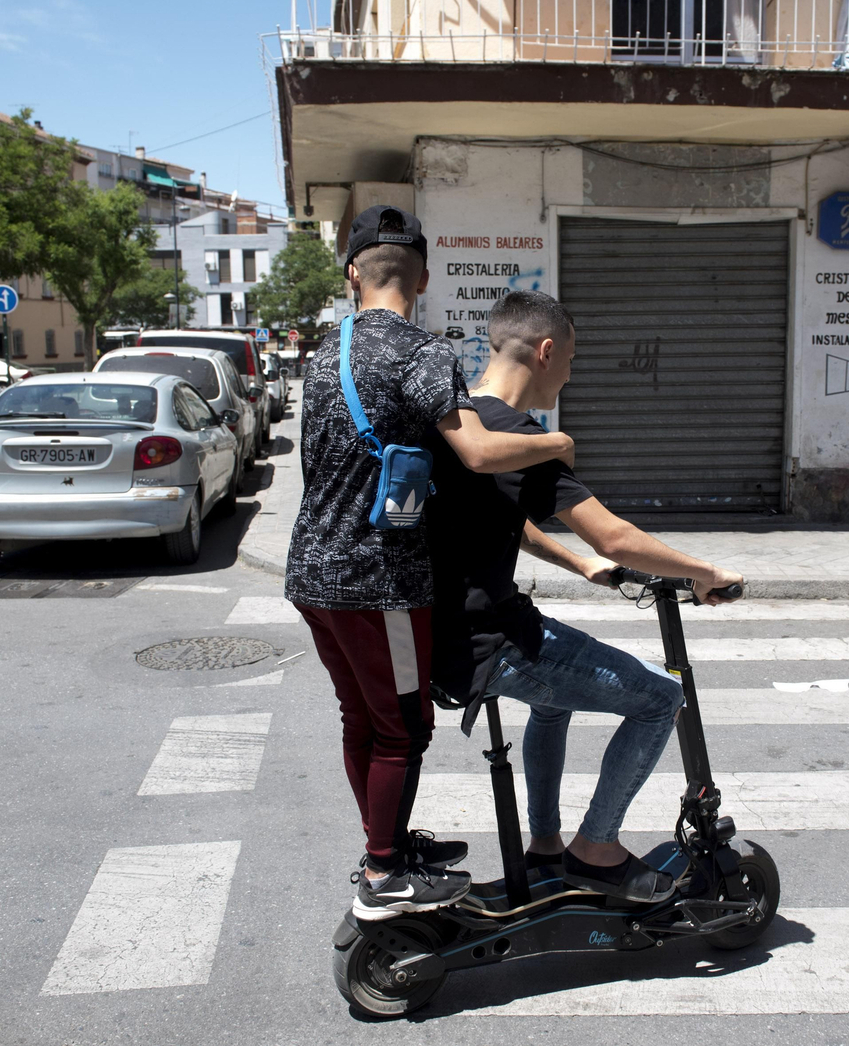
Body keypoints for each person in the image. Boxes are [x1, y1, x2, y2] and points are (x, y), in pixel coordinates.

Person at [286, 207, 576, 922]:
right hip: (378, 578)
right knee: (404, 729)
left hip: (310, 570)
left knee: (362, 716)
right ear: (423, 277)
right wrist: (554, 443)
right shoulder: (423, 352)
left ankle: (386, 844)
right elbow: (477, 451)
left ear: (353, 274)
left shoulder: (322, 352)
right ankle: (384, 876)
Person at [425, 289, 744, 903]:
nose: (570, 372)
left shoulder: (461, 425)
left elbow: (505, 520)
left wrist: (579, 564)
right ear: (546, 352)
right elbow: (618, 535)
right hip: (496, 642)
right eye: (570, 359)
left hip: (449, 639)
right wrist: (705, 571)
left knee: (554, 702)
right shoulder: (522, 437)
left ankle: (545, 847)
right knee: (661, 696)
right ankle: (596, 851)